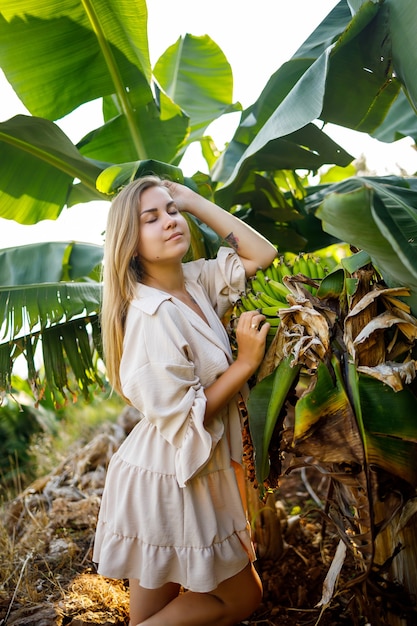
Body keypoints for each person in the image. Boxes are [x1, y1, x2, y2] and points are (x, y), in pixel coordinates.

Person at [93, 175, 277, 626]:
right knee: (241, 597)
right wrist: (244, 363)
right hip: (171, 478)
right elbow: (186, 418)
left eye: (171, 212)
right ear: (130, 243)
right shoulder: (150, 316)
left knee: (149, 618)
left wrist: (193, 201)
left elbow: (262, 254)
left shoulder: (194, 284)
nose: (168, 222)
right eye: (150, 219)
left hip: (181, 471)